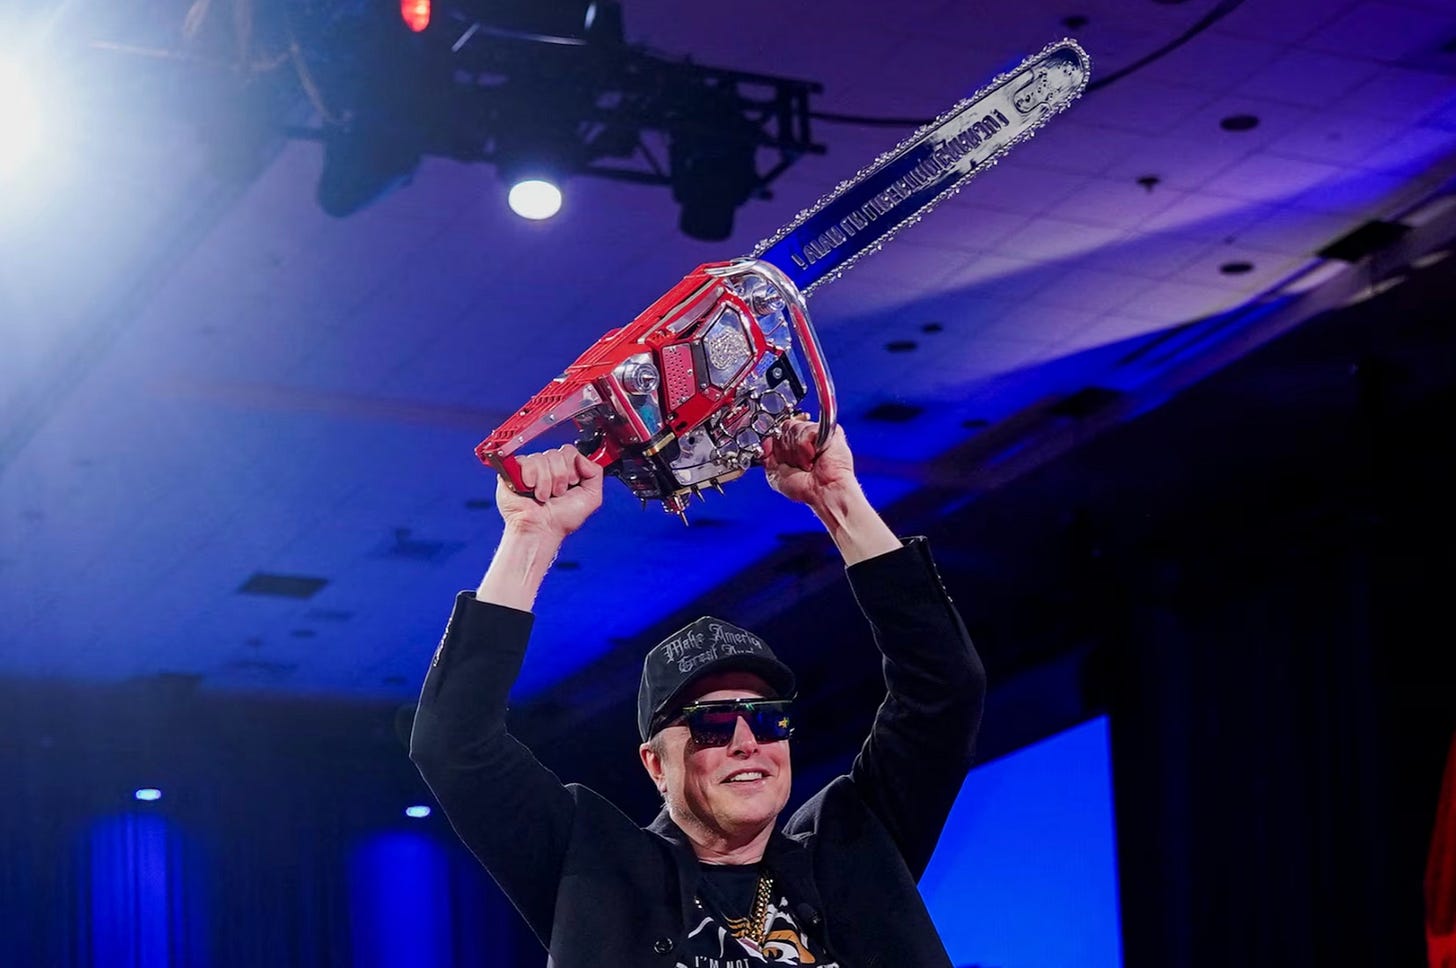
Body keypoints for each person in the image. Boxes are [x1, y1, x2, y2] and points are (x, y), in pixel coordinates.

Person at [410, 418, 986, 967]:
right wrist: (530, 537)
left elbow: (944, 686)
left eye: (767, 719)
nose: (746, 742)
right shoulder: (597, 875)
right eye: (712, 724)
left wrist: (839, 498)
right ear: (655, 765)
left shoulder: (853, 851)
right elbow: (453, 743)